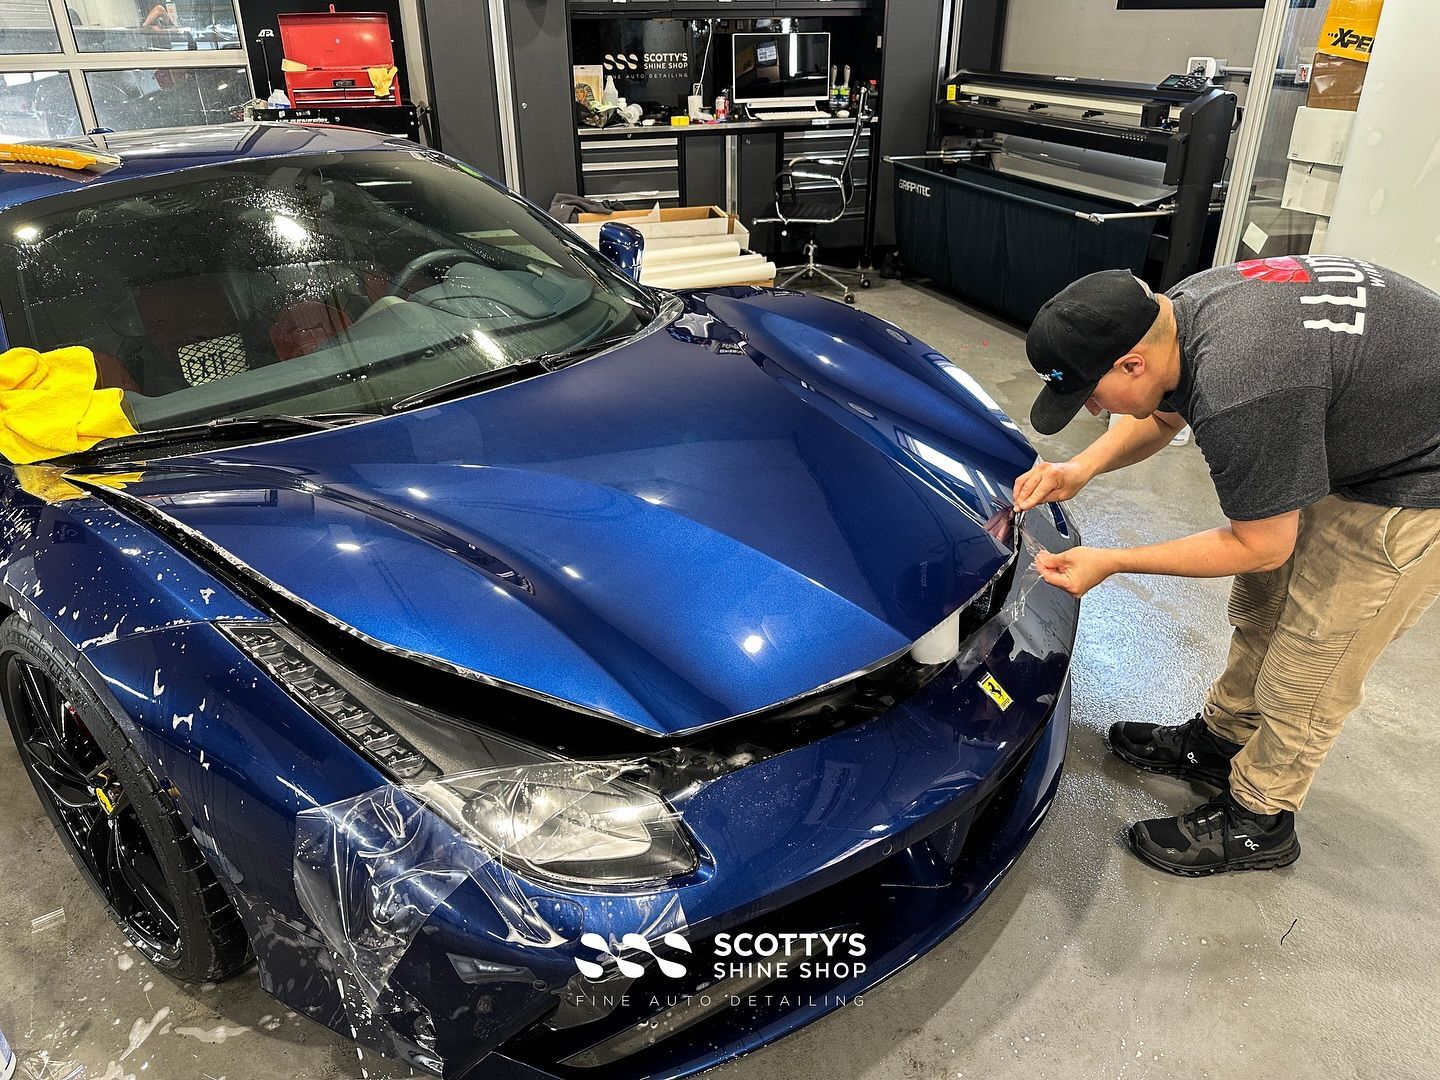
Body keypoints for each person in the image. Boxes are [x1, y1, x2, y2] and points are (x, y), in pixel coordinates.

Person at [1011, 257, 1440, 876]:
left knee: (1314, 658)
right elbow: (1162, 412)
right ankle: (1224, 740)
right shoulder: (1177, 314)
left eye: (1091, 395)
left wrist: (1112, 560)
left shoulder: (1246, 383)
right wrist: (1078, 470)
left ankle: (1260, 818)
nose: (1092, 413)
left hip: (1414, 480)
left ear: (1132, 363)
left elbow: (1262, 544)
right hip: (1360, 430)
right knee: (1263, 609)